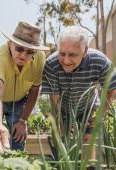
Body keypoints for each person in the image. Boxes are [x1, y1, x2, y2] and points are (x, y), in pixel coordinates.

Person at [41, 26, 116, 159]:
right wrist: (61, 128)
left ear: (85, 51)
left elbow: (110, 91)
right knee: (63, 144)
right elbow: (55, 99)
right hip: (63, 109)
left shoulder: (100, 62)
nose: (66, 60)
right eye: (62, 53)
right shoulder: (51, 64)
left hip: (88, 108)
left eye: (73, 55)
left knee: (88, 140)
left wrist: (98, 117)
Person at [0, 21, 49, 152]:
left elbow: (35, 90)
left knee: (18, 138)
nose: (23, 55)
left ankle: (17, 166)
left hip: (18, 101)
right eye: (19, 48)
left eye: (30, 51)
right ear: (10, 44)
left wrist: (23, 120)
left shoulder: (40, 58)